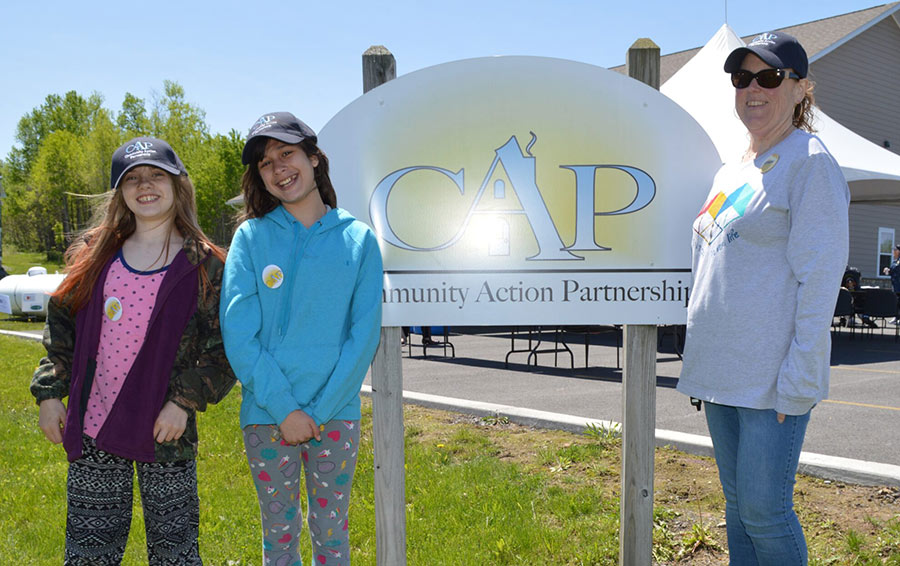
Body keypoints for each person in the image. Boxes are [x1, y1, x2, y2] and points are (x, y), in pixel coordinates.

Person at [678, 32, 849, 565]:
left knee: (765, 513)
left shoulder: (810, 162)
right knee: (738, 509)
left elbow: (820, 278)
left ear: (800, 90)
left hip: (771, 381)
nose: (754, 88)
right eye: (742, 78)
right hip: (723, 373)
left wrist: (799, 378)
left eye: (770, 77)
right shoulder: (732, 170)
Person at [30, 137, 236, 564]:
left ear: (178, 185)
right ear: (119, 192)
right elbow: (60, 330)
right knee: (90, 552)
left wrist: (183, 402)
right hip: (94, 427)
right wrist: (50, 394)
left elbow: (224, 350)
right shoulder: (95, 255)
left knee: (175, 553)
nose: (145, 185)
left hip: (166, 432)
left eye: (157, 175)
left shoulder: (208, 265)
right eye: (132, 178)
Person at [220, 112, 382, 566]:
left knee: (332, 536)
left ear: (313, 158)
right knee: (279, 537)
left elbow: (362, 337)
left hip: (337, 416)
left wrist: (318, 411)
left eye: (286, 154)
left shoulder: (359, 241)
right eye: (265, 163)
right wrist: (286, 409)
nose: (278, 168)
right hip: (267, 414)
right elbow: (239, 333)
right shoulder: (250, 239)